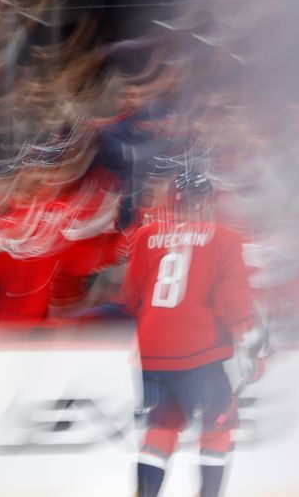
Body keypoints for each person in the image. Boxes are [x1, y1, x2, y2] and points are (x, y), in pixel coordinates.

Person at [122, 159, 257, 497]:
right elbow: (233, 303)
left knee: (161, 428)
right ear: (207, 201)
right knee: (218, 426)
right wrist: (249, 342)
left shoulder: (144, 235)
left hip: (152, 353)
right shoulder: (224, 238)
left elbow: (131, 295)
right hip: (201, 351)